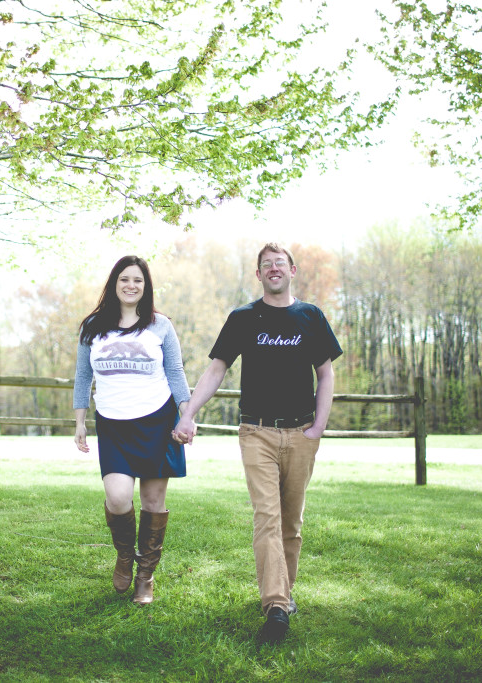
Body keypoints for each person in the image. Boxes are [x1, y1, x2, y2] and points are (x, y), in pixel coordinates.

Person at [173, 242, 342, 644]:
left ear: (293, 270)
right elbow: (217, 370)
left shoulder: (311, 316)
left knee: (291, 522)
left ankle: (285, 592)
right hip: (256, 432)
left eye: (279, 264)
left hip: (301, 433)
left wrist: (318, 427)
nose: (273, 270)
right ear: (259, 274)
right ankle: (277, 607)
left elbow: (326, 374)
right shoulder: (244, 318)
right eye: (266, 265)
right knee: (267, 517)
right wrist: (188, 413)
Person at [74, 255, 191, 605]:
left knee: (153, 501)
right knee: (118, 496)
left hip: (158, 421)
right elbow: (83, 376)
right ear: (114, 283)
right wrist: (79, 421)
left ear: (146, 286)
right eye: (124, 279)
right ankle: (125, 556)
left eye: (137, 280)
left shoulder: (160, 326)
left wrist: (186, 414)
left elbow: (175, 372)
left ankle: (145, 576)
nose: (130, 285)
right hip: (113, 424)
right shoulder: (93, 326)